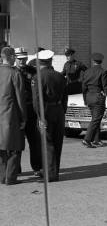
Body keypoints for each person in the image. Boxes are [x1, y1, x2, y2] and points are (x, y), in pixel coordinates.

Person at [31, 49, 67, 182]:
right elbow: (65, 97)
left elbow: (37, 99)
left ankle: (51, 175)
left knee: (47, 143)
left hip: (46, 111)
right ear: (51, 61)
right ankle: (54, 172)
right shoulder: (60, 76)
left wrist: (40, 117)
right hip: (59, 110)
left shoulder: (38, 77)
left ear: (39, 62)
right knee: (58, 142)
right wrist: (63, 110)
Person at [0, 47, 27, 185]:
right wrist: (23, 118)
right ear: (10, 57)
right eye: (14, 56)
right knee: (15, 148)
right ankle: (10, 178)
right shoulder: (15, 74)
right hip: (11, 116)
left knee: (1, 149)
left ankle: (1, 176)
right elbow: (20, 98)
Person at [14, 47, 42, 177]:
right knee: (17, 143)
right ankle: (16, 169)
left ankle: (37, 167)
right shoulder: (12, 72)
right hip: (17, 113)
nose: (22, 61)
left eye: (24, 59)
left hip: (31, 112)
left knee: (35, 142)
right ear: (15, 58)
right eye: (20, 59)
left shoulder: (33, 71)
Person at [81, 53, 107, 148]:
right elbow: (106, 87)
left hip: (89, 96)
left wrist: (85, 99)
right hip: (98, 97)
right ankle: (87, 139)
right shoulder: (103, 71)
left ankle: (96, 140)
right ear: (101, 61)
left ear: (93, 61)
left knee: (96, 119)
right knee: (96, 119)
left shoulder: (87, 72)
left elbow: (83, 87)